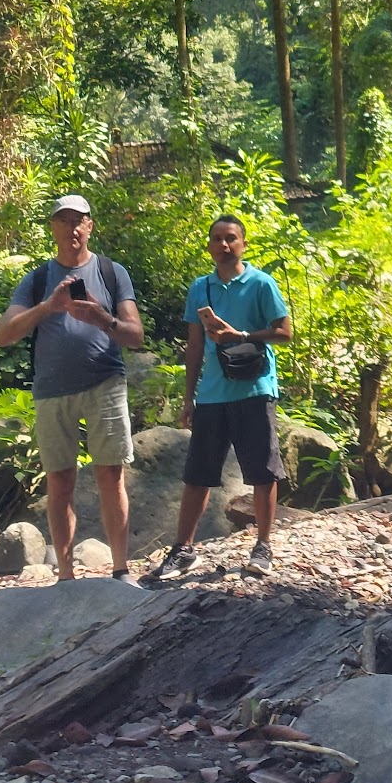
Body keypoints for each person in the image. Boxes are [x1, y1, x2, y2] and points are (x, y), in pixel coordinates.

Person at [0, 194, 144, 582]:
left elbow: (135, 336)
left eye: (79, 220)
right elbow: (3, 336)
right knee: (60, 481)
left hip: (105, 382)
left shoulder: (112, 272)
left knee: (110, 476)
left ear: (90, 226)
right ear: (53, 228)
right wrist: (50, 306)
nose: (72, 228)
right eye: (64, 221)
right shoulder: (38, 279)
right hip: (51, 390)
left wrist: (102, 317)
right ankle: (64, 576)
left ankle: (121, 569)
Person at [157, 215, 291, 578]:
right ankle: (183, 550)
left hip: (254, 388)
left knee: (262, 471)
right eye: (217, 238)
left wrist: (242, 334)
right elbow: (195, 345)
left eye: (231, 238)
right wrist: (189, 397)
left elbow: (284, 332)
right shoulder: (201, 288)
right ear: (209, 246)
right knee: (198, 473)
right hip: (213, 394)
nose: (224, 244)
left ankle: (263, 546)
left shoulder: (261, 283)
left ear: (243, 243)